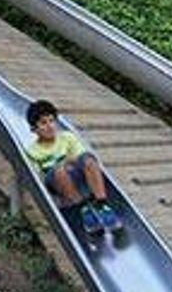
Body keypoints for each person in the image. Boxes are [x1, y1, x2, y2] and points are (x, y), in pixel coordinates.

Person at [25, 100, 121, 235]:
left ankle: (102, 205)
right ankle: (85, 210)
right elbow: (38, 179)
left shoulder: (67, 137)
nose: (49, 126)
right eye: (43, 123)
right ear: (33, 129)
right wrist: (63, 164)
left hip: (78, 178)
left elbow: (81, 158)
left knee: (89, 159)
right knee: (59, 171)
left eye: (52, 121)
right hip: (58, 187)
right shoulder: (32, 151)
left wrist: (68, 162)